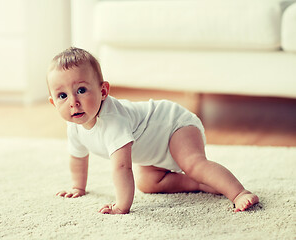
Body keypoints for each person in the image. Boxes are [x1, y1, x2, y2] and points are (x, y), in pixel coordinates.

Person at [47, 47, 259, 214]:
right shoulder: (74, 126)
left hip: (172, 125)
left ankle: (239, 192)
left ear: (103, 91)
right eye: (62, 96)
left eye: (81, 90)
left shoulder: (112, 120)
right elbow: (78, 158)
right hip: (152, 147)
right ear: (53, 103)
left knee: (193, 163)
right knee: (148, 183)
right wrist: (78, 187)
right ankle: (200, 184)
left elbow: (122, 168)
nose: (73, 102)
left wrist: (122, 206)